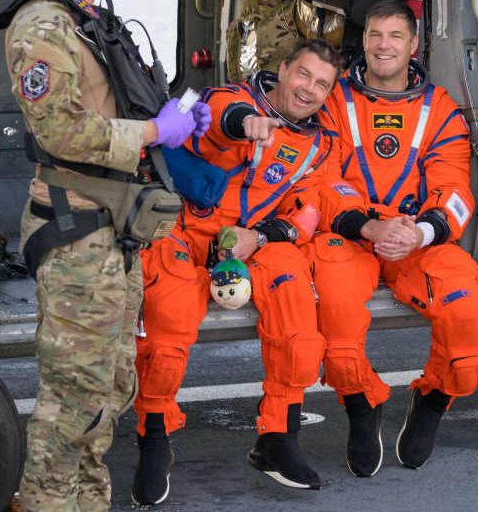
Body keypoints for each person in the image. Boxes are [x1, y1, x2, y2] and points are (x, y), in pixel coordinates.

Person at [0, 0, 210, 510]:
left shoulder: (90, 22)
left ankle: (87, 500)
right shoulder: (42, 26)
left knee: (109, 389)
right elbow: (59, 130)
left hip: (112, 233)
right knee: (72, 399)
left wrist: (168, 119)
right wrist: (153, 132)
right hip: (77, 231)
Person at [133, 39, 380, 504]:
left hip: (253, 240)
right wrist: (245, 126)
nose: (309, 89)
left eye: (322, 84)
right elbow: (220, 121)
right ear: (283, 69)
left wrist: (261, 238)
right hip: (187, 230)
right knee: (168, 319)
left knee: (297, 310)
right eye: (303, 75)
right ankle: (154, 437)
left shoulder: (321, 145)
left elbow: (308, 211)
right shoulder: (234, 100)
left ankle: (277, 438)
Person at [302, 0, 478, 477]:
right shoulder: (333, 103)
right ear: (363, 41)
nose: (383, 45)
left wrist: (421, 231)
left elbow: (455, 190)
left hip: (416, 240)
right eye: (374, 35)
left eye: (395, 36)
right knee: (338, 328)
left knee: (467, 316)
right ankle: (363, 407)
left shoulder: (440, 111)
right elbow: (322, 179)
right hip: (350, 237)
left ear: (413, 44)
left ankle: (433, 399)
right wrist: (368, 225)